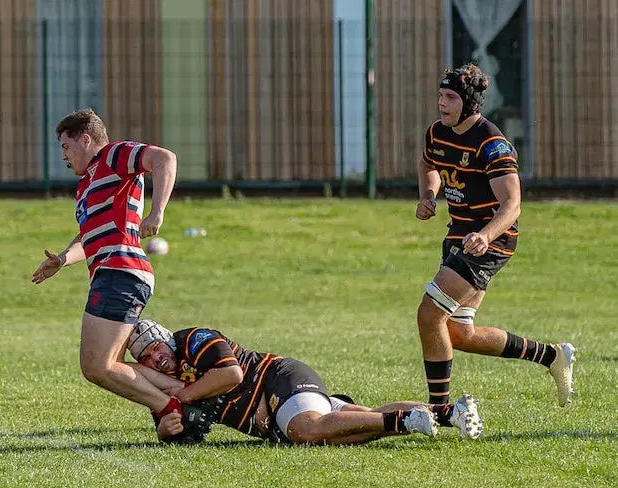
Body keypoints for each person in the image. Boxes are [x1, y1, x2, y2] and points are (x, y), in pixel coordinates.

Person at [416, 63, 576, 407]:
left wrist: (486, 236)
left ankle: (440, 411)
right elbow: (428, 164)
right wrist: (428, 194)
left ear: (470, 103)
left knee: (430, 314)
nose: (441, 103)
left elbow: (512, 204)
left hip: (491, 241)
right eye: (440, 95)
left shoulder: (491, 143)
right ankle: (552, 356)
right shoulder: (437, 133)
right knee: (460, 333)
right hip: (459, 235)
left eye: (450, 97)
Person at [31, 109, 184, 426]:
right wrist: (62, 259)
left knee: (98, 366)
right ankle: (180, 397)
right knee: (102, 365)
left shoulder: (114, 155)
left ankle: (172, 407)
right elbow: (88, 236)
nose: (63, 156)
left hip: (122, 271)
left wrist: (157, 212)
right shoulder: (85, 186)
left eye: (66, 146)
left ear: (85, 140)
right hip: (110, 274)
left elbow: (165, 158)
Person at [126, 320, 483, 445]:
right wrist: (165, 429)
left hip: (277, 378)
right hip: (276, 414)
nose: (155, 359)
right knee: (350, 428)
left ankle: (405, 421)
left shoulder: (194, 339)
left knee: (306, 429)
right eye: (146, 358)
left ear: (165, 338)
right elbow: (167, 417)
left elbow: (231, 375)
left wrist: (183, 396)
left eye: (155, 348)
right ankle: (448, 412)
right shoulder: (161, 381)